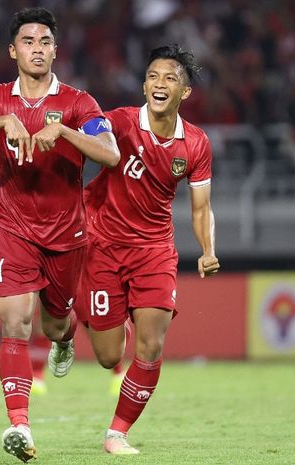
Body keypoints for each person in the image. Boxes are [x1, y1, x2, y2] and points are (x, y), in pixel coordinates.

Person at [0, 7, 120, 463]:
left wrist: (62, 130)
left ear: (55, 50)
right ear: (13, 50)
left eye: (45, 41)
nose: (37, 49)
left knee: (56, 324)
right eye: (28, 41)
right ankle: (20, 426)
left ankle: (64, 342)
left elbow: (110, 153)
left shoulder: (80, 102)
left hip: (67, 236)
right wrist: (1, 122)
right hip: (12, 229)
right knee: (14, 323)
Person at [77, 44, 220, 455]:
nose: (160, 83)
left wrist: (208, 248)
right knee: (108, 358)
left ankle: (116, 433)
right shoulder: (119, 122)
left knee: (152, 344)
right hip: (102, 244)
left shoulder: (195, 144)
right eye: (154, 76)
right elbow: (87, 134)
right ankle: (73, 316)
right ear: (144, 85)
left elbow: (202, 207)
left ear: (185, 92)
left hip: (154, 250)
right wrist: (67, 132)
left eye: (170, 78)